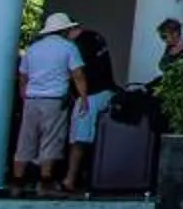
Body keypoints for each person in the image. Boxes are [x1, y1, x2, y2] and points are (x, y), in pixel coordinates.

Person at [12, 11, 86, 197]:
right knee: (51, 141)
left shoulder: (33, 49)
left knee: (25, 141)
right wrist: (83, 97)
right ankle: (45, 183)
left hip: (31, 100)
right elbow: (78, 74)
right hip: (54, 100)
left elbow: (23, 76)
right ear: (63, 30)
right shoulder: (68, 48)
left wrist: (24, 96)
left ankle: (17, 183)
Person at [59, 23, 120, 196]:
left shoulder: (79, 45)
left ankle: (70, 179)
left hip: (90, 95)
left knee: (79, 138)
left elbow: (79, 74)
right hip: (104, 91)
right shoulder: (95, 38)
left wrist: (82, 97)